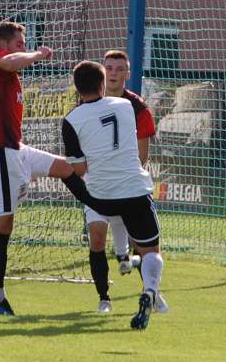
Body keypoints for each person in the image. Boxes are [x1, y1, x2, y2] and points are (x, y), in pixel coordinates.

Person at [0, 21, 75, 316]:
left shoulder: (2, 77)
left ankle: (103, 208)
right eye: (20, 43)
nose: (23, 47)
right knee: (3, 224)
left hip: (14, 149)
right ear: (4, 46)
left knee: (68, 168)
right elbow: (10, 60)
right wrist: (37, 55)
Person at [62, 60, 165, 330]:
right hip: (133, 188)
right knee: (151, 251)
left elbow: (80, 168)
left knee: (98, 228)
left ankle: (122, 263)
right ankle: (149, 291)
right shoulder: (126, 106)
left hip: (100, 195)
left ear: (76, 88)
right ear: (102, 83)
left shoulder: (70, 120)